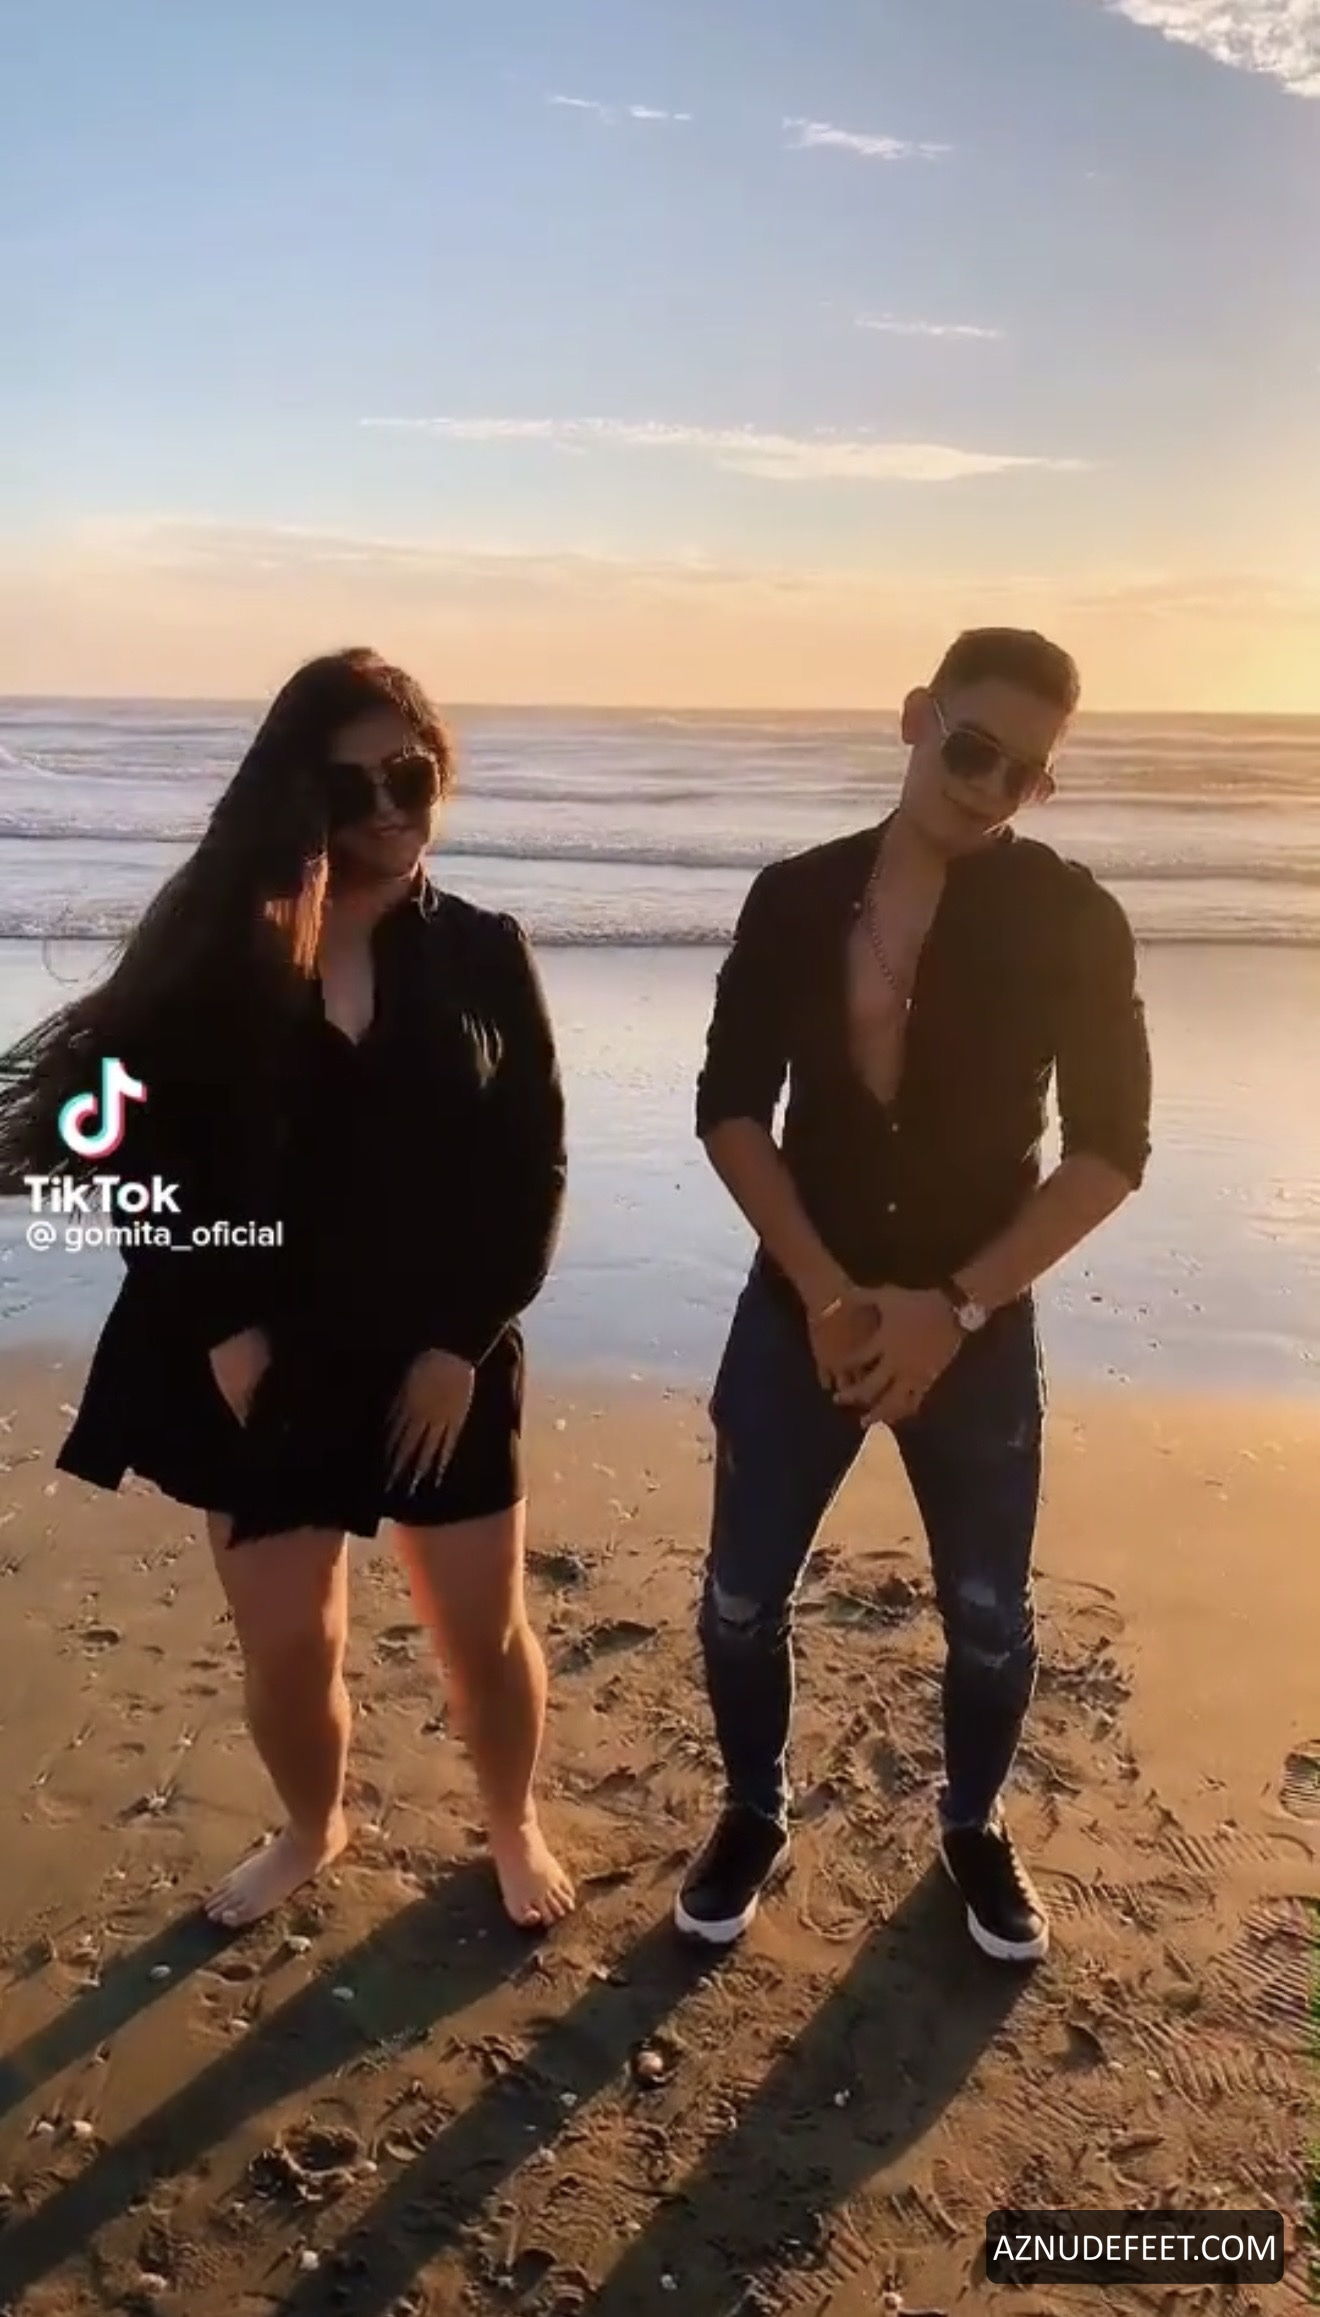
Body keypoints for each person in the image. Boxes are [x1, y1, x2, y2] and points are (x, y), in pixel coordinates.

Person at [0, 648, 574, 1933]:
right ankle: (315, 1828)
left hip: (439, 1350)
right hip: (256, 1347)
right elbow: (128, 1148)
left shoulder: (486, 952)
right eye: (349, 785)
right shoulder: (224, 949)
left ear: (441, 772)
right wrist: (222, 1327)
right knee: (291, 1647)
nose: (388, 808)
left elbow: (531, 1163)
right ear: (299, 797)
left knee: (483, 1632)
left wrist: (462, 1343)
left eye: (409, 775)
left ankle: (511, 1820)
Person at [674, 628, 1152, 1965]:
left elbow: (1112, 1150)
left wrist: (957, 1307)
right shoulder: (793, 898)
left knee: (991, 1620)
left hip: (978, 1328)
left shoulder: (1073, 917)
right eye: (973, 750)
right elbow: (729, 1106)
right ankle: (754, 1811)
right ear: (915, 719)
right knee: (740, 1598)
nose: (992, 788)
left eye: (1026, 774)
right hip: (800, 1310)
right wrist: (827, 1292)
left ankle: (973, 1824)